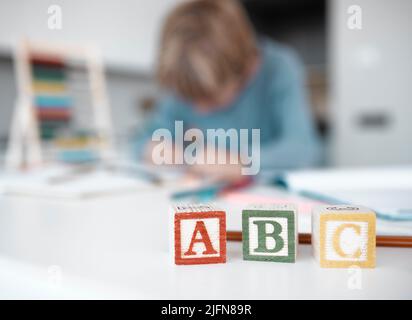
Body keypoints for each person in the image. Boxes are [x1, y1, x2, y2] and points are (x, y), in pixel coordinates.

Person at [134, 0, 322, 182]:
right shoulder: (186, 82)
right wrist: (151, 149)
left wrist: (243, 163)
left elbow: (302, 150)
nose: (198, 109)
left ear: (246, 69)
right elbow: (140, 139)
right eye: (188, 98)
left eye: (210, 97)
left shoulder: (279, 68)